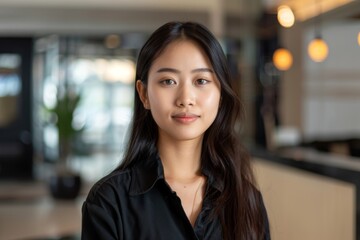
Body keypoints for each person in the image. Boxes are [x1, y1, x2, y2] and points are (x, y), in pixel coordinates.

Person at [82, 21, 270, 240]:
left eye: (201, 80)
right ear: (144, 94)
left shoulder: (247, 199)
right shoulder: (109, 201)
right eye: (168, 81)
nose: (185, 99)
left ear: (220, 94)